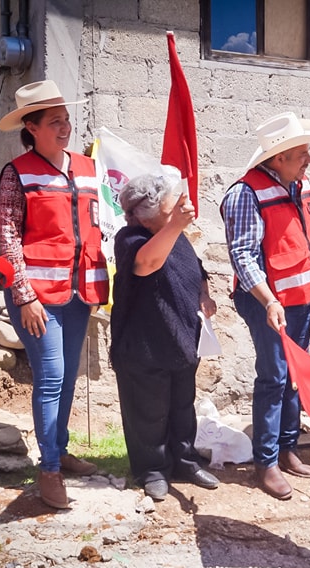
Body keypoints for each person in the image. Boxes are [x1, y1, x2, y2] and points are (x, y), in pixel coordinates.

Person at [0, 80, 108, 508]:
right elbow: (7, 238)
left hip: (79, 292)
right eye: (55, 121)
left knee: (65, 381)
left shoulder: (87, 166)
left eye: (66, 119)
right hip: (37, 296)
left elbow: (100, 224)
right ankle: (48, 472)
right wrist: (23, 296)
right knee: (50, 377)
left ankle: (59, 449)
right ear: (32, 126)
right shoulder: (17, 173)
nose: (65, 127)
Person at [220, 111, 310, 500]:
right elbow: (243, 256)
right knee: (274, 377)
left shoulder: (301, 187)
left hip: (301, 300)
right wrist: (268, 300)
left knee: (295, 376)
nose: (309, 160)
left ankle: (288, 448)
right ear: (278, 157)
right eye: (302, 153)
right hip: (266, 302)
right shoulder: (244, 194)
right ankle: (265, 462)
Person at [109, 174, 220, 501]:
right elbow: (146, 264)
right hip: (143, 348)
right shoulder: (130, 239)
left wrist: (204, 296)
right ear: (147, 213)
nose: (179, 208)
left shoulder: (177, 237)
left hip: (182, 340)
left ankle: (185, 461)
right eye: (171, 205)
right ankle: (152, 470)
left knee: (182, 409)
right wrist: (174, 226)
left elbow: (198, 271)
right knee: (148, 413)